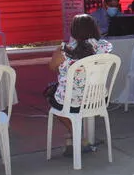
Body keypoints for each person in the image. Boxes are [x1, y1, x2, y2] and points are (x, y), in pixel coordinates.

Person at [47, 14, 113, 156]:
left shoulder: (64, 50)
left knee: (50, 94)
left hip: (73, 102)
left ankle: (76, 134)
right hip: (98, 99)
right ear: (95, 29)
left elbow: (52, 67)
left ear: (73, 31)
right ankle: (79, 137)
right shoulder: (104, 47)